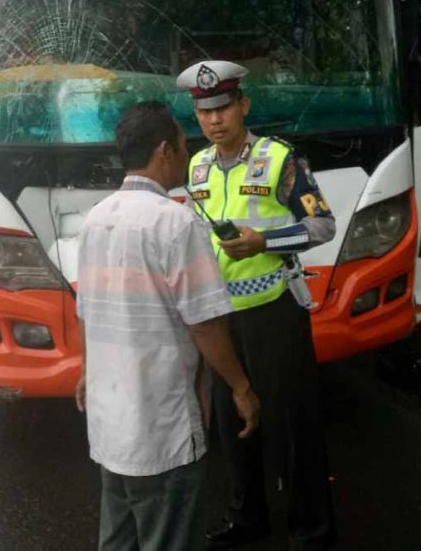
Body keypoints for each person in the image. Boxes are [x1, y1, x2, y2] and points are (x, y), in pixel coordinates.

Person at [75, 101, 261, 551]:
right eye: (182, 143)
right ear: (164, 151)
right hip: (162, 428)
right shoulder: (177, 225)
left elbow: (90, 312)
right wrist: (240, 387)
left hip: (110, 424)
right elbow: (204, 325)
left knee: (118, 540)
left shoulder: (95, 220)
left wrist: (86, 370)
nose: (185, 150)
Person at [177, 60, 338, 551]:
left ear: (243, 106)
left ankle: (312, 529)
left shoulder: (280, 159)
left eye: (223, 107)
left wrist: (266, 240)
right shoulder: (196, 166)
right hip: (222, 316)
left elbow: (323, 226)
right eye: (205, 112)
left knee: (290, 421)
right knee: (232, 421)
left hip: (273, 310)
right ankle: (248, 518)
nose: (214, 120)